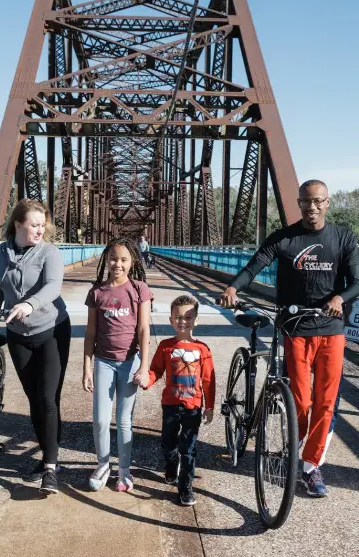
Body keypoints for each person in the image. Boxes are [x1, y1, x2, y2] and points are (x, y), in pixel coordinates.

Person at [219, 179, 359, 497]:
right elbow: (255, 265)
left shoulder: (343, 237)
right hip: (294, 329)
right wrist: (232, 287)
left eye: (318, 201)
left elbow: (357, 280)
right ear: (299, 203)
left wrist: (340, 298)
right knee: (301, 402)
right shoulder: (285, 238)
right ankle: (292, 448)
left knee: (325, 405)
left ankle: (310, 467)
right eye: (306, 202)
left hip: (331, 331)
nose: (312, 207)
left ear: (327, 202)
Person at [0, 198, 71, 495]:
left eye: (43, 225)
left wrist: (29, 304)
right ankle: (45, 458)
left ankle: (51, 468)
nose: (40, 230)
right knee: (34, 399)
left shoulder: (49, 253)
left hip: (52, 330)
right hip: (18, 335)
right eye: (34, 225)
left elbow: (53, 286)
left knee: (47, 398)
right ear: (18, 224)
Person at [83, 236, 151, 492]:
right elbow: (90, 333)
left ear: (132, 261)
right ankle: (102, 465)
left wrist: (144, 366)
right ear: (106, 260)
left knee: (124, 421)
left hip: (130, 362)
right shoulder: (97, 292)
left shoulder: (139, 289)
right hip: (103, 361)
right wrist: (86, 367)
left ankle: (124, 469)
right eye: (113, 259)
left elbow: (144, 329)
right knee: (100, 420)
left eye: (123, 259)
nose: (117, 264)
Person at [139, 294, 215, 506]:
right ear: (171, 320)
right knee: (168, 444)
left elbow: (208, 380)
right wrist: (147, 380)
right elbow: (155, 370)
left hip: (193, 407)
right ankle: (171, 465)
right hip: (170, 406)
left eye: (189, 317)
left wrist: (209, 406)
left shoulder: (203, 350)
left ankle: (186, 487)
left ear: (196, 320)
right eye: (179, 317)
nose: (183, 321)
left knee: (188, 450)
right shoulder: (165, 346)